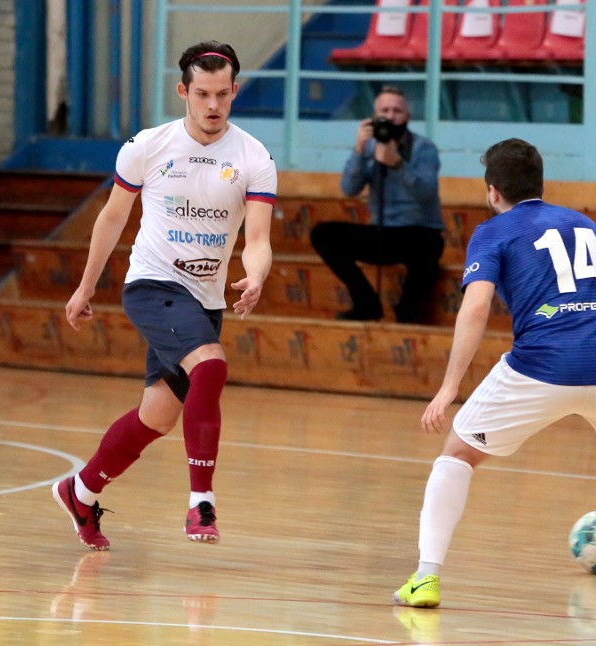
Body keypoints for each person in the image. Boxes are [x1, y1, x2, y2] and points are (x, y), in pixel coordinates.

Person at [393, 138, 596, 608]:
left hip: (543, 363)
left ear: (493, 191)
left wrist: (448, 389)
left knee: (457, 455)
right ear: (541, 184)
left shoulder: (494, 230)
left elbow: (476, 308)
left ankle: (425, 579)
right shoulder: (587, 225)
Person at [53, 40, 277, 550]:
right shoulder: (147, 146)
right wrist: (86, 286)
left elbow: (258, 241)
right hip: (151, 286)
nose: (213, 105)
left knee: (156, 416)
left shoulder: (253, 156)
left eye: (223, 93)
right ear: (184, 91)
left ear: (235, 91)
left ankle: (80, 491)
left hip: (205, 299)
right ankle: (202, 502)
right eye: (203, 93)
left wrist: (257, 276)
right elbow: (113, 218)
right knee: (212, 366)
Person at [310, 86, 444, 323]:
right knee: (323, 234)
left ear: (407, 117)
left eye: (397, 111)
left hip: (417, 233)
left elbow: (427, 193)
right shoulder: (369, 147)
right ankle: (366, 303)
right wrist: (359, 151)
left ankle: (407, 314)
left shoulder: (424, 148)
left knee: (431, 245)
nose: (391, 117)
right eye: (384, 111)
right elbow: (349, 189)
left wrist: (398, 165)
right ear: (374, 117)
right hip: (382, 233)